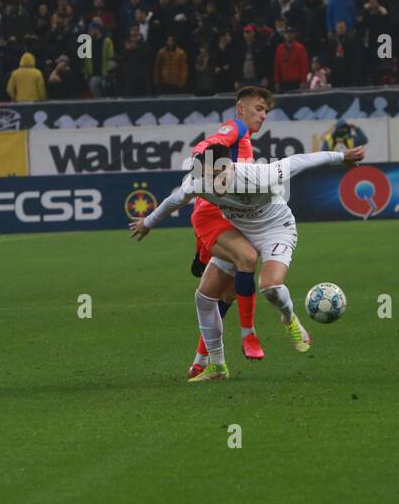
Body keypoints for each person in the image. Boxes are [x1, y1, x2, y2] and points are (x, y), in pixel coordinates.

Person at [131, 143, 368, 381]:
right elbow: (174, 201)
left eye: (219, 175)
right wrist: (148, 223)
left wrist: (342, 157)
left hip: (276, 230)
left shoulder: (260, 175)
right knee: (203, 297)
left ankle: (288, 318)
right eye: (209, 176)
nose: (214, 183)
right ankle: (217, 366)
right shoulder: (197, 182)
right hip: (242, 234)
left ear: (230, 167)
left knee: (271, 288)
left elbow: (301, 160)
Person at [183, 87, 275, 377]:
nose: (262, 115)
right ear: (241, 109)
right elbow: (210, 144)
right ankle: (243, 338)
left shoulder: (244, 141)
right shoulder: (235, 128)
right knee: (218, 293)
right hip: (217, 222)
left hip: (228, 223)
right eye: (258, 108)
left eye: (265, 111)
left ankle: (202, 360)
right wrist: (201, 158)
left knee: (221, 295)